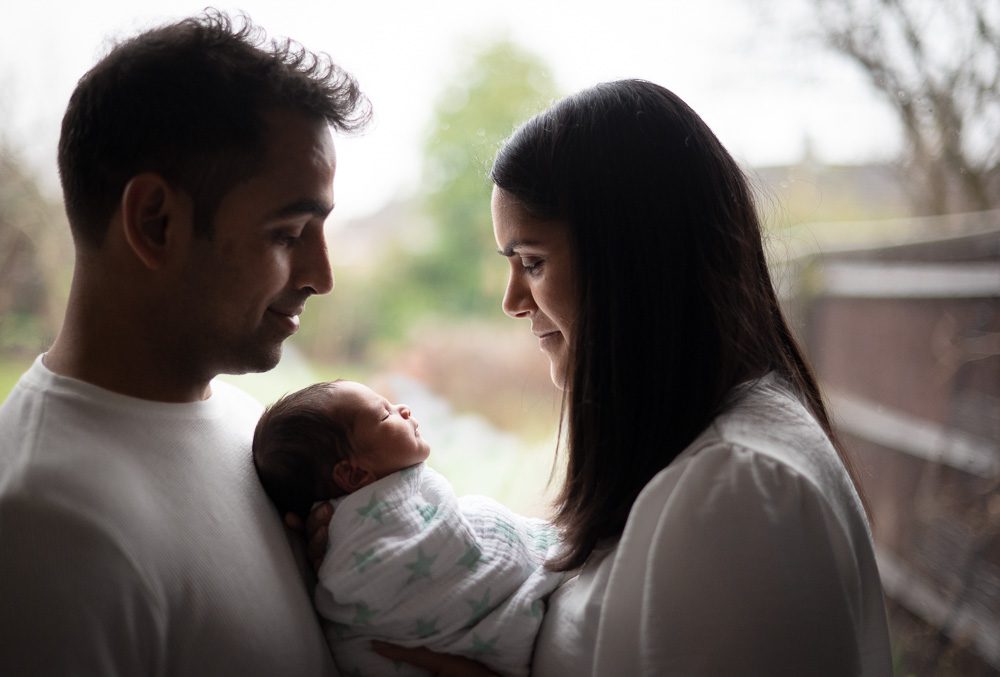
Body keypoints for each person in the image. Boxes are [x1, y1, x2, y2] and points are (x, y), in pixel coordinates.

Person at [311, 80, 894, 676]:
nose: (513, 300)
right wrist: (377, 559)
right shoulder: (694, 456)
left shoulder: (737, 492)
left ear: (631, 259)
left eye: (532, 262)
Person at [0, 11, 369, 675]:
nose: (321, 277)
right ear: (156, 222)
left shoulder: (243, 423)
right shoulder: (44, 527)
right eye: (288, 234)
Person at [252, 380, 561, 677]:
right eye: (385, 414)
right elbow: (446, 545)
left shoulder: (345, 524)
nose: (403, 409)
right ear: (354, 474)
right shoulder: (353, 539)